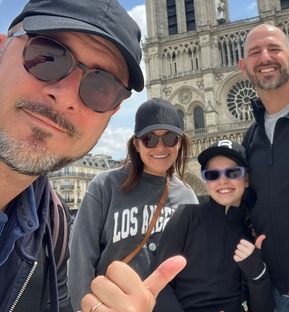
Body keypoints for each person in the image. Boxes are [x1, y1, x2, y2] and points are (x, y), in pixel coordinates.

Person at [0, 0, 181, 310]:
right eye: (47, 57)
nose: (66, 96)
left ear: (113, 111)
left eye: (101, 87)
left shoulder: (51, 230)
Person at [68, 98, 199, 311]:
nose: (160, 147)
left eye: (169, 138)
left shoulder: (187, 196)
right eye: (149, 139)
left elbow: (195, 267)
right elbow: (80, 262)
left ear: (180, 142)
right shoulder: (104, 187)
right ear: (137, 144)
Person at [239, 23, 289, 311]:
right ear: (243, 67)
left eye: (274, 49)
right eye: (255, 52)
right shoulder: (252, 136)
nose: (265, 57)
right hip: (272, 292)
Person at [153, 139, 274, 312]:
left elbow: (262, 308)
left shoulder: (251, 232)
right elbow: (159, 284)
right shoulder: (186, 217)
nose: (222, 181)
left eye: (233, 173)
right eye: (213, 175)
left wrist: (258, 274)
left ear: (246, 179)